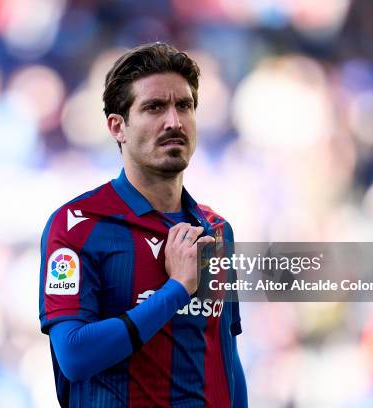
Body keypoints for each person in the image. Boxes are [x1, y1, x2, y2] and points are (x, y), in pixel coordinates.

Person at [39, 42, 247, 407]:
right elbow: (74, 355)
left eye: (184, 105)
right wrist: (176, 289)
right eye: (154, 107)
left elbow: (226, 358)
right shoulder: (77, 226)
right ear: (118, 126)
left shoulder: (216, 231)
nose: (174, 121)